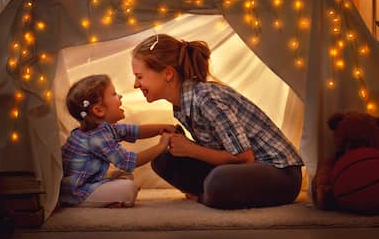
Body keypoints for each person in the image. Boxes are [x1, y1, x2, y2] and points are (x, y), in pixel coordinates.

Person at [131, 34, 304, 209]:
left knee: (218, 180)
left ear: (168, 74)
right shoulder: (181, 107)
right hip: (243, 171)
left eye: (139, 76)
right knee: (163, 160)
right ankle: (210, 194)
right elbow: (218, 151)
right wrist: (183, 146)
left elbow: (244, 158)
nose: (135, 85)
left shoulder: (207, 99)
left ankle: (206, 196)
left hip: (280, 174)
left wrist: (191, 149)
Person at [59, 74, 175, 208]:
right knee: (129, 188)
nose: (120, 96)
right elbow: (127, 162)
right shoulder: (97, 136)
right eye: (114, 94)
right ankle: (108, 199)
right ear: (98, 110)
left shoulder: (103, 128)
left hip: (88, 182)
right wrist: (161, 146)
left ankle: (110, 198)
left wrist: (162, 128)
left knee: (125, 175)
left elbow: (134, 131)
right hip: (77, 193)